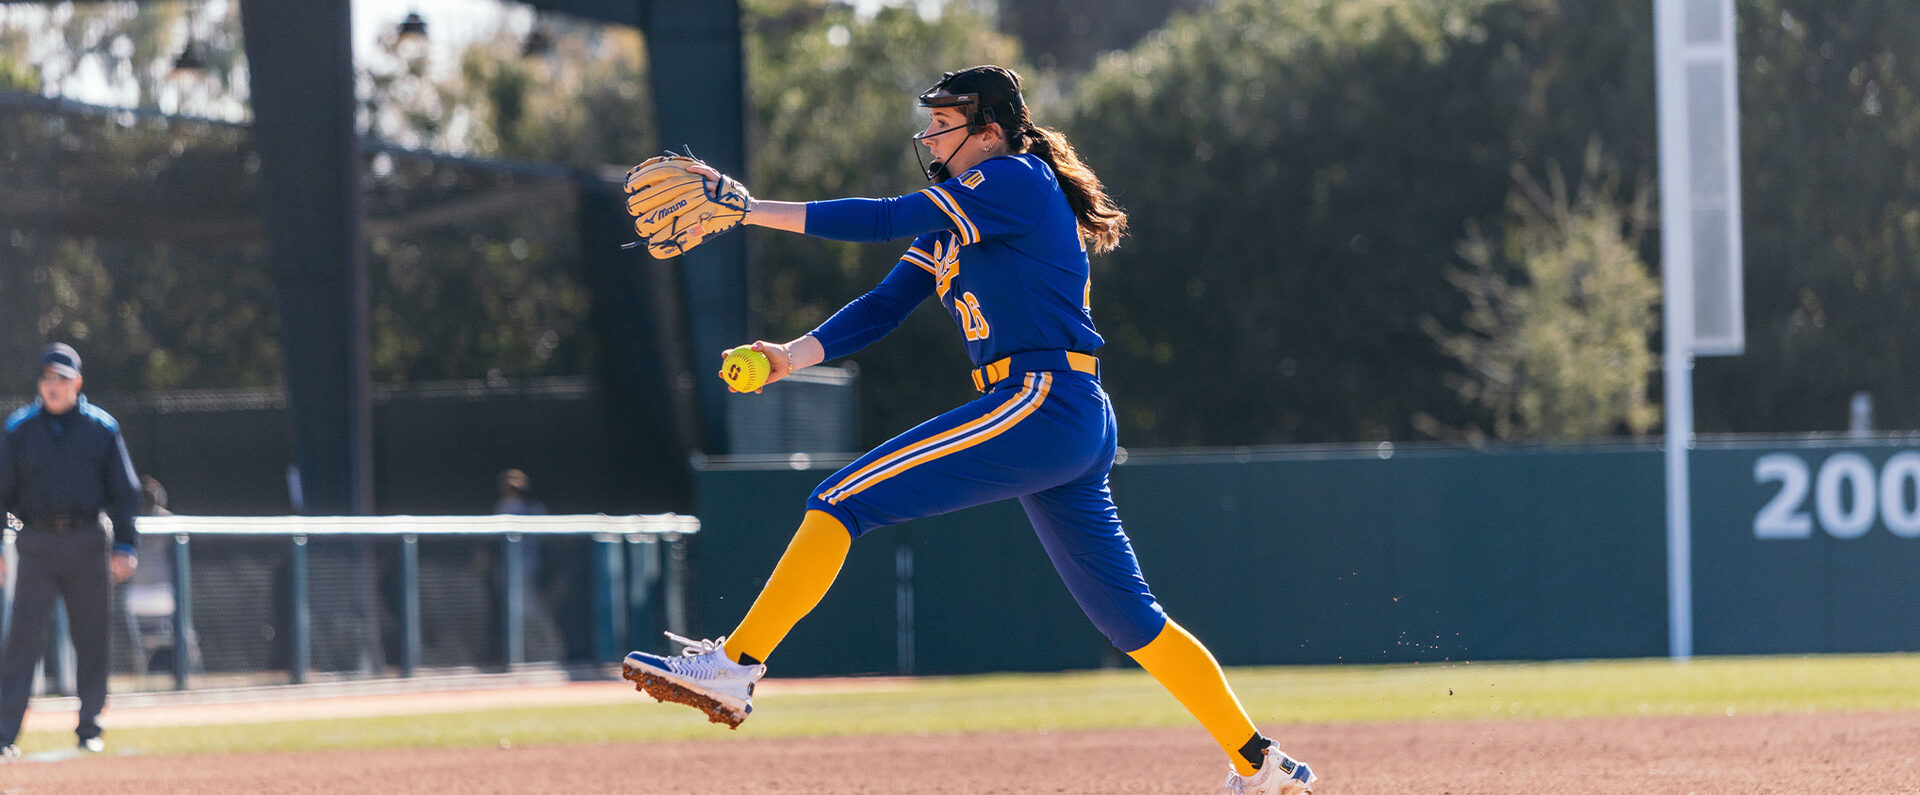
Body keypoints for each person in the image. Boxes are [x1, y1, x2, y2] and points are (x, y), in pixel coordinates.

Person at [619, 66, 1315, 794]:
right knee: (1130, 620)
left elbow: (886, 216)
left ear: (990, 131)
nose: (929, 135)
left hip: (1040, 397)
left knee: (841, 500)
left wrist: (750, 206)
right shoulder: (963, 213)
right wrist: (788, 356)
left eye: (944, 123)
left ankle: (735, 666)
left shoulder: (1015, 177)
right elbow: (884, 306)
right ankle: (1258, 760)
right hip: (1061, 412)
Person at [0, 343, 141, 759]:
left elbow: (126, 493)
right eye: (46, 378)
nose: (52, 386)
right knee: (23, 642)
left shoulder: (102, 428)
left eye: (61, 379)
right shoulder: (19, 429)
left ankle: (89, 728)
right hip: (37, 543)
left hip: (87, 541)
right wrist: (5, 538)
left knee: (92, 639)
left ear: (77, 383)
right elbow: (3, 495)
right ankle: (4, 736)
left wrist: (125, 545)